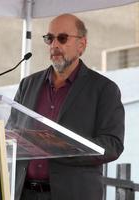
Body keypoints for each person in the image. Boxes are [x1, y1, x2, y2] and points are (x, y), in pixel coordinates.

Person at [8, 13, 125, 200]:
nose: (54, 45)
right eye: (50, 38)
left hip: (73, 194)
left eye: (62, 38)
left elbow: (112, 145)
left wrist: (61, 147)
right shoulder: (27, 84)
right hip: (24, 193)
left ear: (82, 45)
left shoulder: (104, 89)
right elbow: (11, 134)